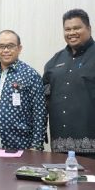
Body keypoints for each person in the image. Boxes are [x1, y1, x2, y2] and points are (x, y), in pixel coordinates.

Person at [0, 30, 47, 150]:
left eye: (10, 46)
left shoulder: (31, 75)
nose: (5, 50)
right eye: (1, 46)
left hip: (22, 147)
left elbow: (39, 113)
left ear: (19, 48)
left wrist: (36, 146)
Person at [43, 9, 95, 159]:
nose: (72, 32)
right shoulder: (55, 60)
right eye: (67, 29)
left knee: (88, 183)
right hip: (60, 145)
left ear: (89, 29)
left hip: (91, 147)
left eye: (77, 28)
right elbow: (44, 99)